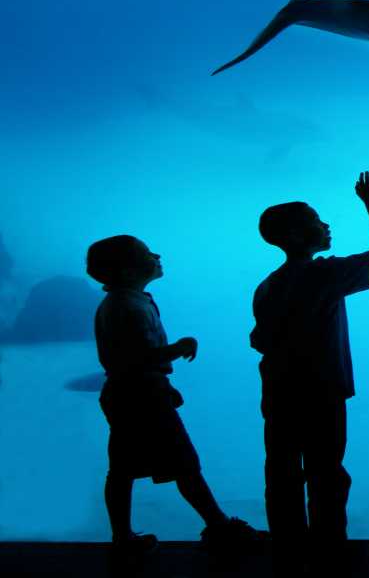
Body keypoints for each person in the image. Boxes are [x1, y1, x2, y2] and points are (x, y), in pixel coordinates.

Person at [87, 236, 264, 558]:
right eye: (146, 253)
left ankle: (123, 538)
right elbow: (137, 356)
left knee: (124, 469)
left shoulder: (125, 302)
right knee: (183, 464)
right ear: (128, 271)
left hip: (131, 391)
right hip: (139, 395)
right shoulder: (127, 307)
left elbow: (128, 360)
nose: (156, 255)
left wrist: (162, 384)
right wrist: (179, 348)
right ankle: (220, 528)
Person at [251, 172, 369, 561]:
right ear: (297, 235)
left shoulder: (267, 285)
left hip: (279, 391)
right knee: (326, 471)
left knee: (281, 470)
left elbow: (259, 339)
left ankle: (288, 548)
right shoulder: (324, 274)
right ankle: (329, 548)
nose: (325, 224)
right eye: (316, 220)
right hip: (322, 390)